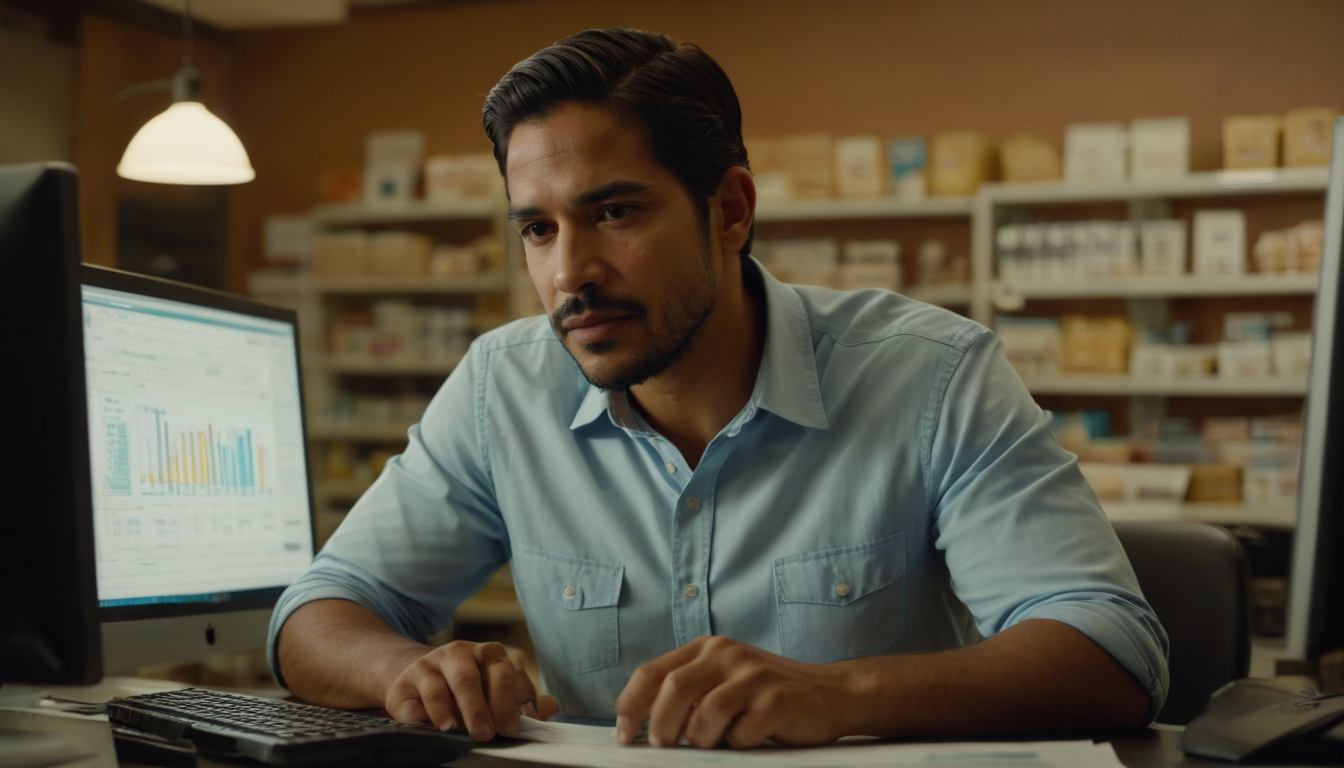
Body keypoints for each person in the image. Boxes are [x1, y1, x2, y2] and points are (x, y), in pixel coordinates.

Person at [269, 28, 1168, 750]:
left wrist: (835, 693)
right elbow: (317, 612)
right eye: (538, 229)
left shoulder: (934, 375)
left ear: (730, 210)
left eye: (613, 213)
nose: (567, 275)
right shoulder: (502, 386)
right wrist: (404, 673)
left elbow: (1110, 651)